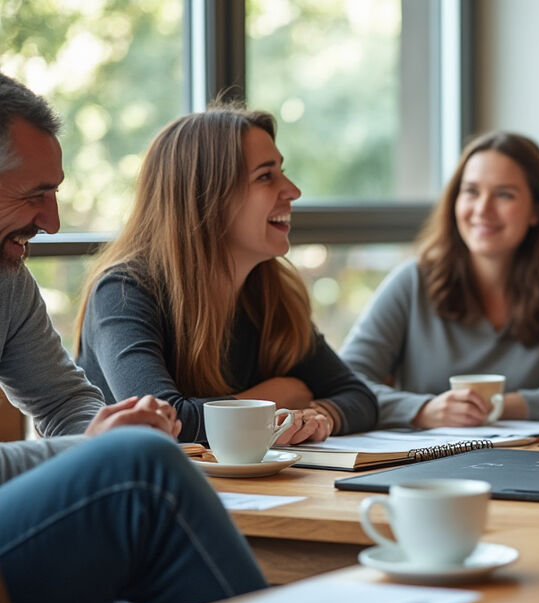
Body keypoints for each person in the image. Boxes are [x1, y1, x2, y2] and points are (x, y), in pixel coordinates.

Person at [0, 72, 297, 603]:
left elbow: (63, 403)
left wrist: (106, 427)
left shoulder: (6, 283)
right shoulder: (128, 287)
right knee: (142, 472)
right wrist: (95, 449)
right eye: (35, 194)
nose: (51, 221)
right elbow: (85, 442)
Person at [75, 105, 378, 444]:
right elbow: (164, 421)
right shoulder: (122, 293)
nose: (293, 191)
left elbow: (359, 398)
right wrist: (278, 396)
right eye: (266, 176)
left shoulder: (268, 294)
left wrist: (314, 416)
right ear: (205, 198)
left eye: (282, 172)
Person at [341, 131, 539, 429]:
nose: (482, 209)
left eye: (504, 194)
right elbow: (345, 384)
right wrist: (422, 410)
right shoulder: (412, 281)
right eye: (471, 192)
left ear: (537, 210)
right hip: (422, 466)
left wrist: (503, 405)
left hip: (529, 462)